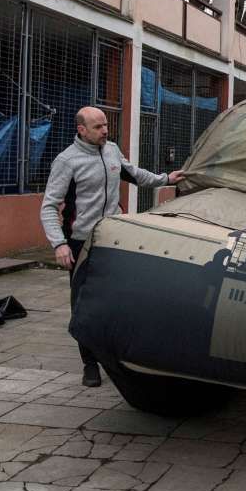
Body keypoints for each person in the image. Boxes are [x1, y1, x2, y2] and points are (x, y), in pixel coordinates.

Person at [40, 106, 184, 387]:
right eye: (98, 127)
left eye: (106, 125)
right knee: (83, 303)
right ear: (81, 130)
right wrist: (59, 244)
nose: (105, 130)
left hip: (113, 237)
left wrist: (166, 179)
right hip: (82, 241)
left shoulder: (111, 150)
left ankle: (122, 353)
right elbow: (48, 207)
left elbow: (135, 174)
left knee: (122, 295)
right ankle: (89, 363)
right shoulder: (66, 161)